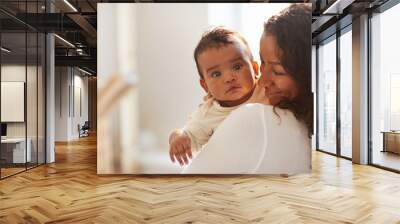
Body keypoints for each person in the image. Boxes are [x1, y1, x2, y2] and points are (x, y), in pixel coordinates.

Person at [182, 3, 312, 174]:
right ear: (205, 85)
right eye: (264, 63)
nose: (263, 80)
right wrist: (179, 136)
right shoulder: (209, 111)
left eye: (278, 71)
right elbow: (191, 134)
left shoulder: (257, 113)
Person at [168, 27, 262, 166]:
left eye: (236, 67)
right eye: (216, 74)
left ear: (254, 69)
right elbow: (188, 136)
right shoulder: (208, 114)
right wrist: (177, 137)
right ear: (205, 86)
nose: (229, 78)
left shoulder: (267, 89)